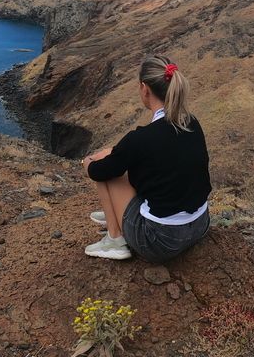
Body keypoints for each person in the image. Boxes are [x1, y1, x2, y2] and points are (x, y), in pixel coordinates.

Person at [80, 54, 212, 262]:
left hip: (161, 240)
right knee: (119, 159)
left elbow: (99, 172)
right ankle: (116, 213)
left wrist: (88, 162)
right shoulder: (191, 122)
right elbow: (157, 153)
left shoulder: (141, 139)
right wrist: (114, 152)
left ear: (145, 88)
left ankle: (114, 239)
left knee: (107, 169)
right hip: (200, 224)